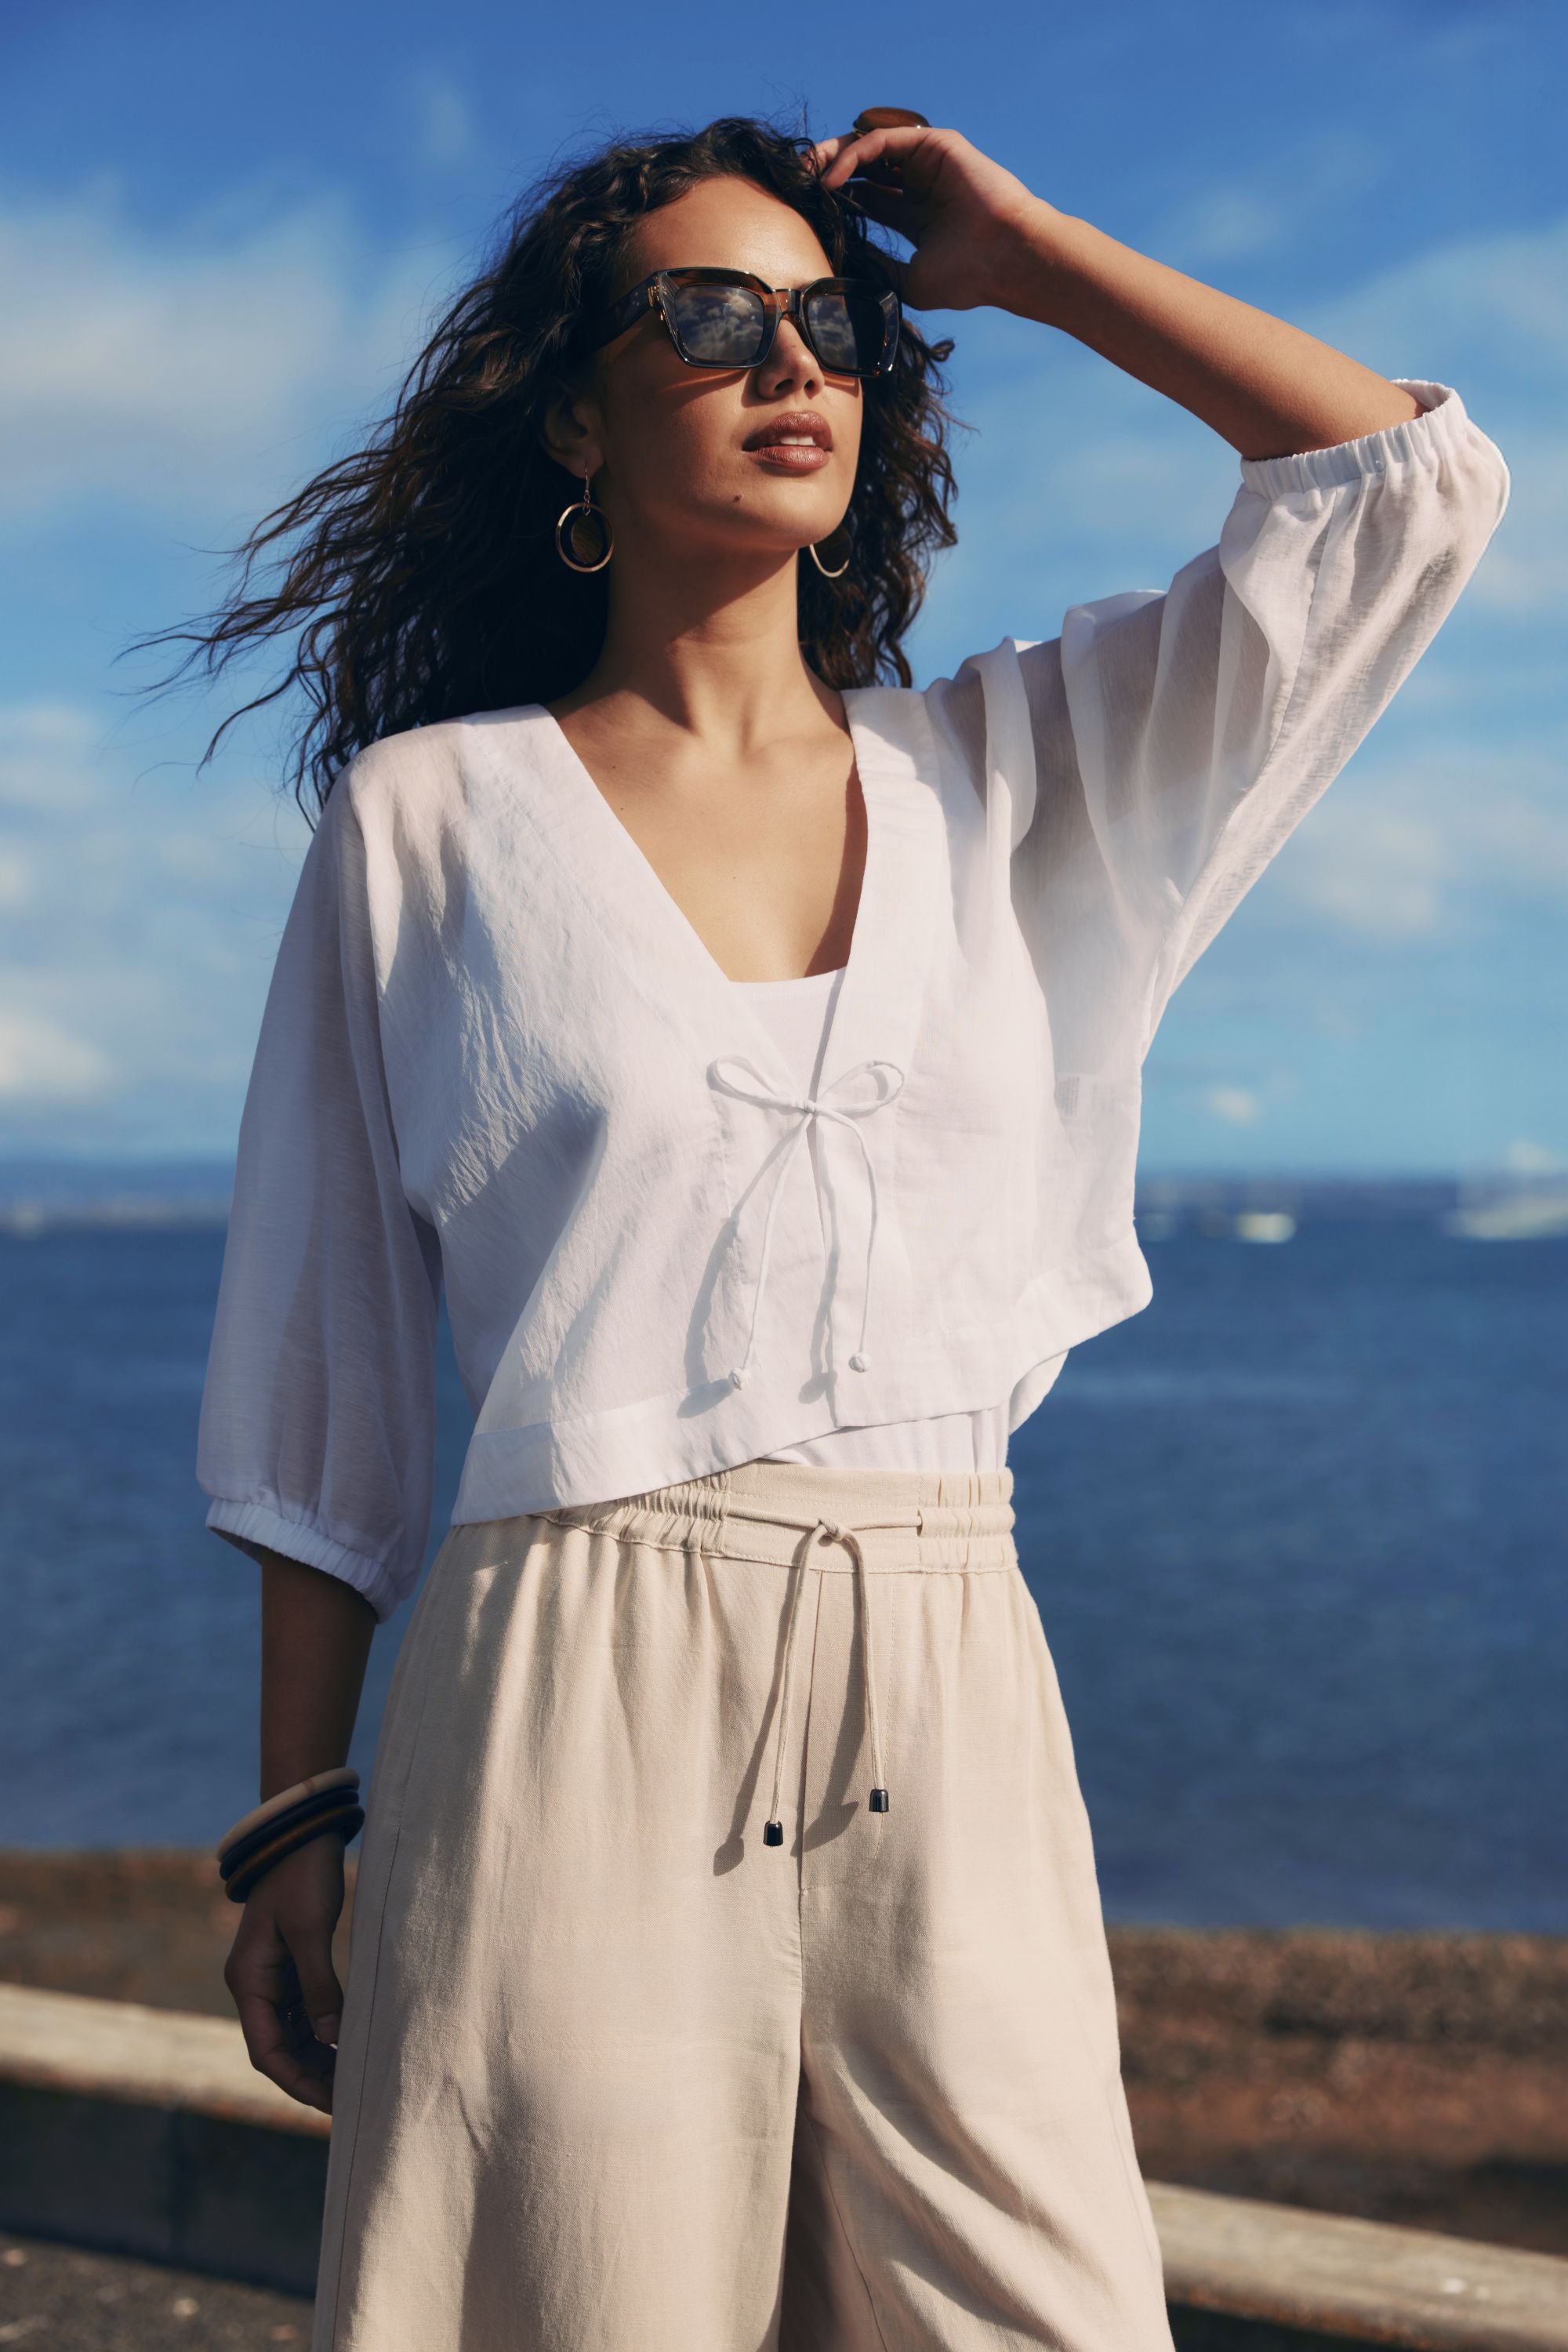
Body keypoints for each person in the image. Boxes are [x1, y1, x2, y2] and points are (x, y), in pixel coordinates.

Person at [187, 112, 1508, 2352]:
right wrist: (290, 1818)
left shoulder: (1007, 776)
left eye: (831, 322)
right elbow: (317, 1361)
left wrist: (1037, 260)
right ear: (579, 411)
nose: (787, 359)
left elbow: (1404, 493)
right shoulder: (431, 826)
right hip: (564, 1679)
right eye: (707, 319)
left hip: (949, 1665)